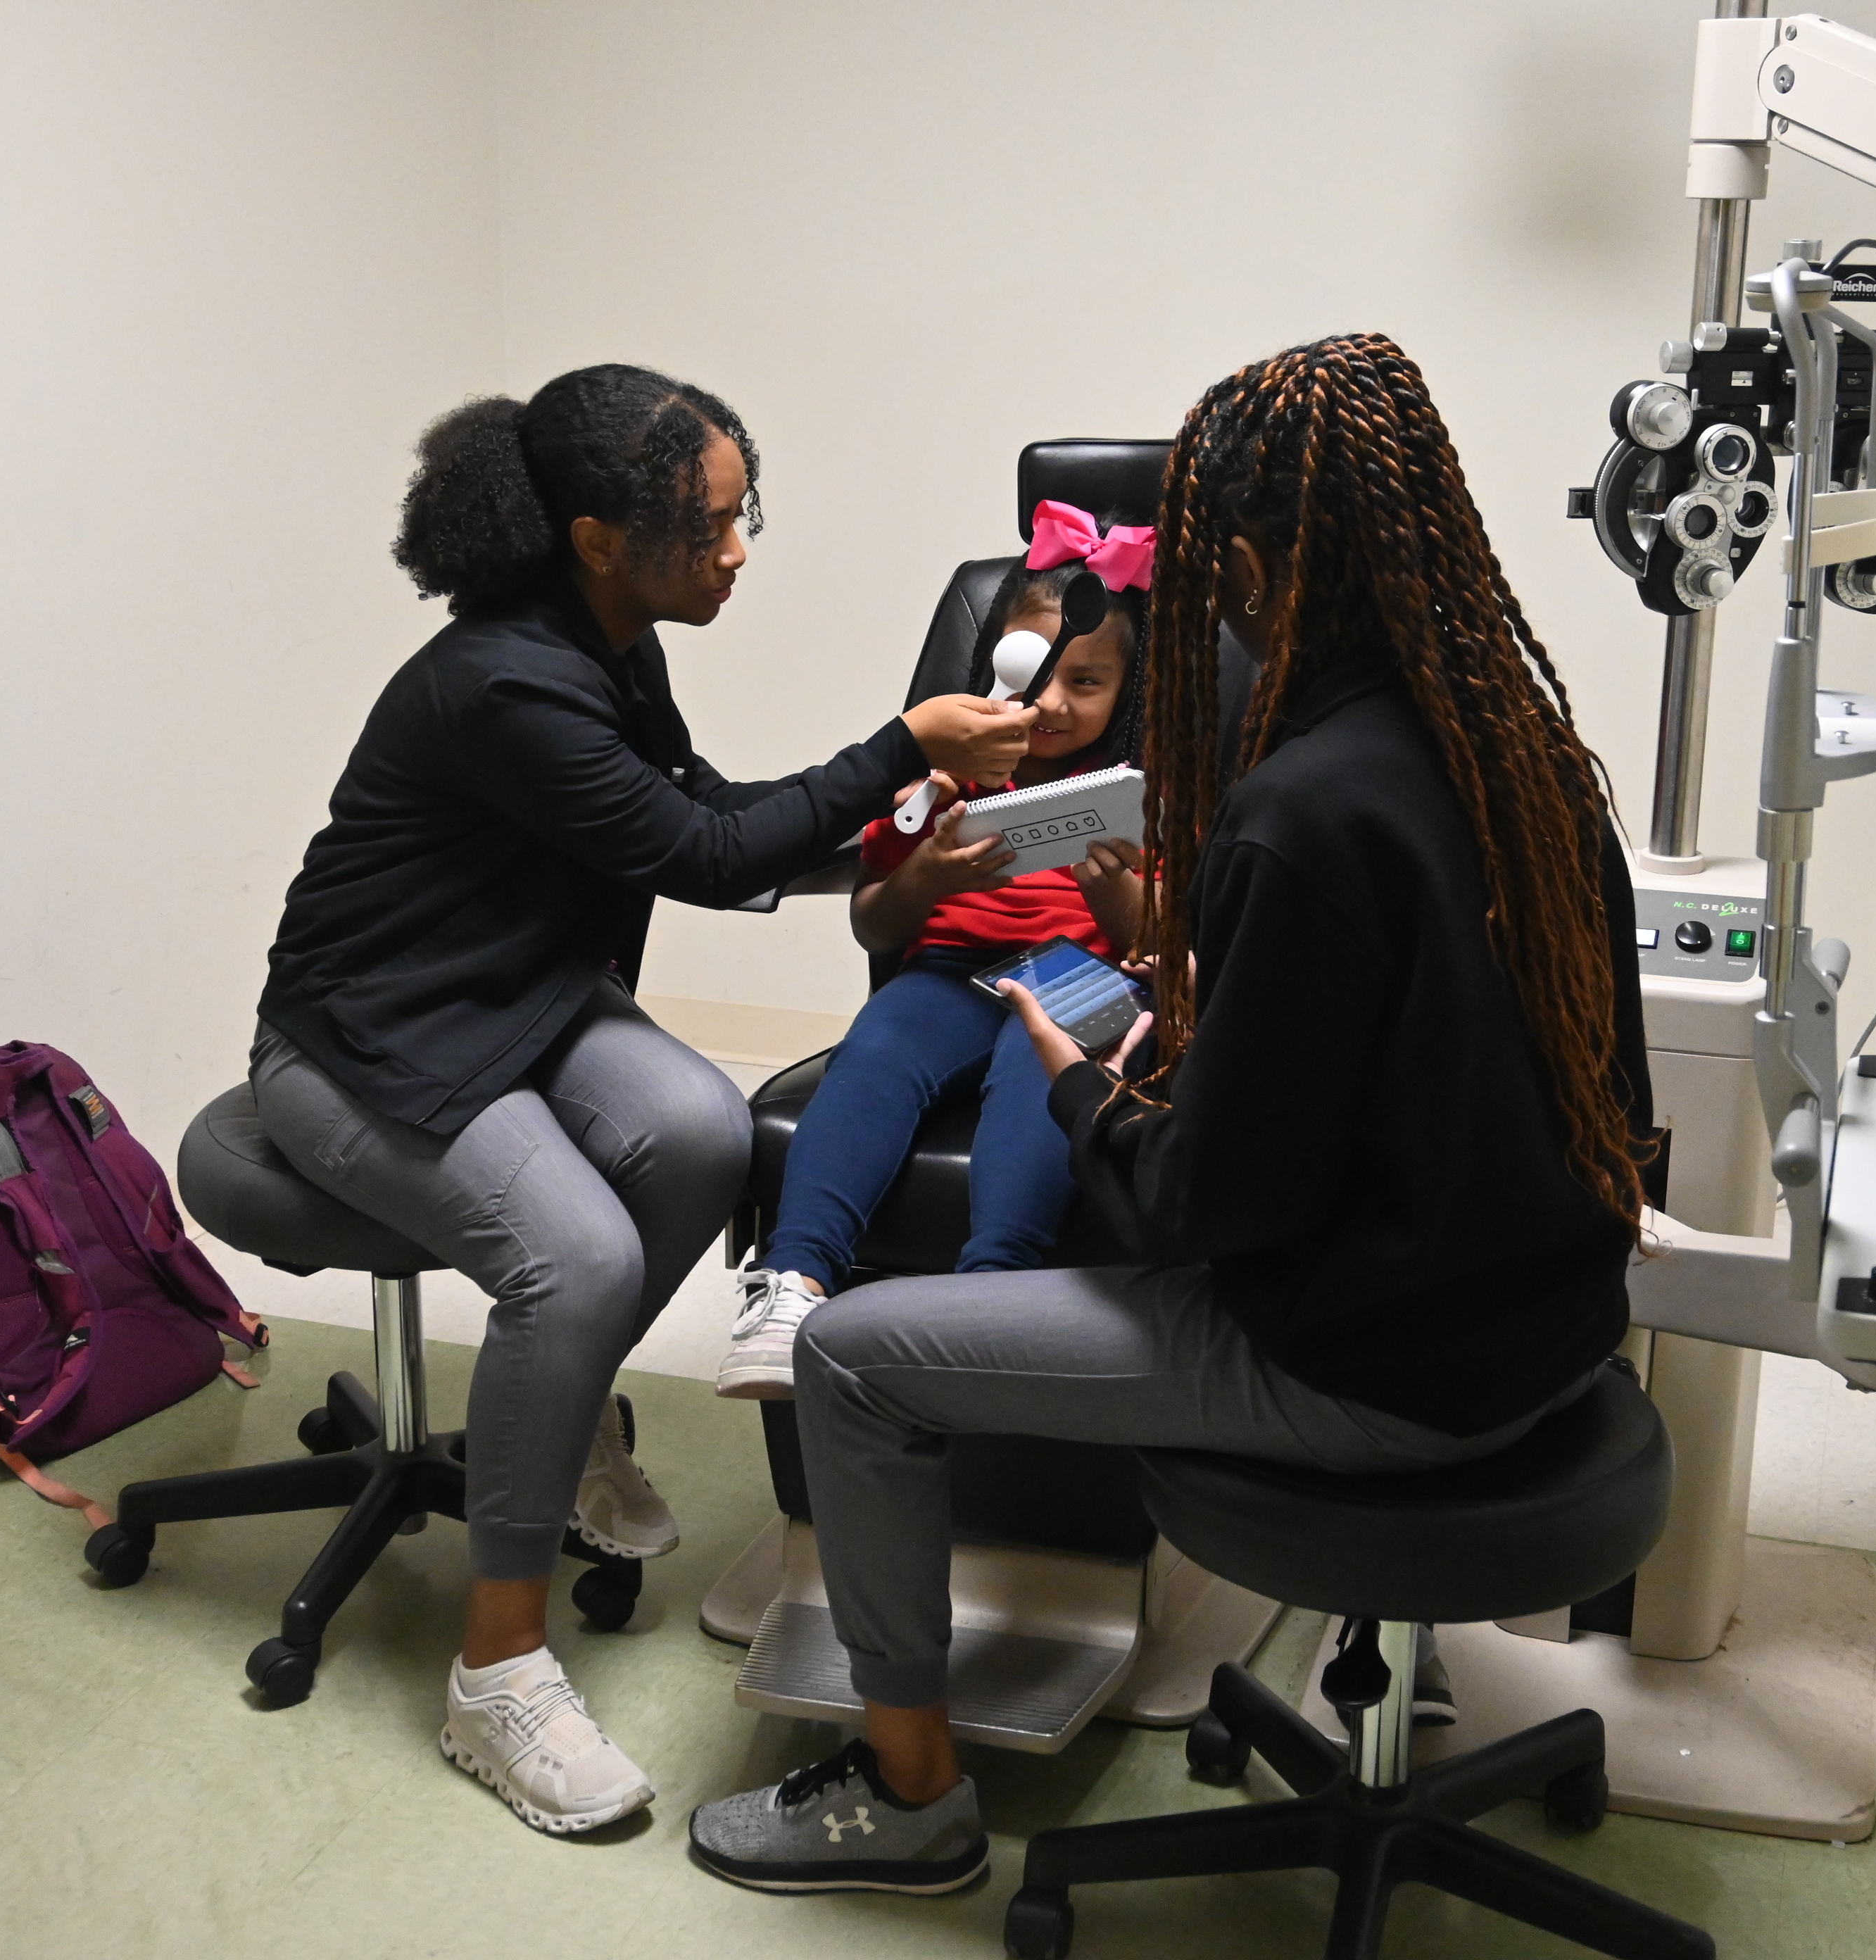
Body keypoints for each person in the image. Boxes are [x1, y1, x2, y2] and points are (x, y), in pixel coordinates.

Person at [686, 333, 1655, 1896]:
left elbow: (1214, 1209)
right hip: (1550, 1329)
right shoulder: (1527, 755)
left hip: (1378, 1370)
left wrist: (1088, 1090)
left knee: (849, 1358)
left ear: (1254, 574)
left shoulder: (1299, 811)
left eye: (1212, 583)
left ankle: (913, 1795)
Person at [249, 364, 1032, 1839]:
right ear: (599, 539)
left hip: (523, 997)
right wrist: (903, 747)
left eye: (745, 516)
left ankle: (556, 1426)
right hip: (364, 1042)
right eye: (707, 527)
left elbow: (707, 815)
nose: (736, 552)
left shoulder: (607, 640)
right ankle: (494, 1673)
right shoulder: (504, 683)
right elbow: (705, 854)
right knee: (580, 1259)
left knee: (706, 1131)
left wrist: (908, 836)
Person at [714, 503, 1152, 1398]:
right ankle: (793, 1283)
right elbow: (876, 925)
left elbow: (1157, 943)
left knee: (1043, 1077)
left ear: (1129, 690)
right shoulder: (942, 777)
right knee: (877, 1052)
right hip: (949, 968)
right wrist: (929, 876)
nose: (1053, 703)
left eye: (1088, 682)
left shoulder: (1147, 792)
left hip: (1080, 972)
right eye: (1039, 673)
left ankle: (989, 1302)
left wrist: (1112, 887)